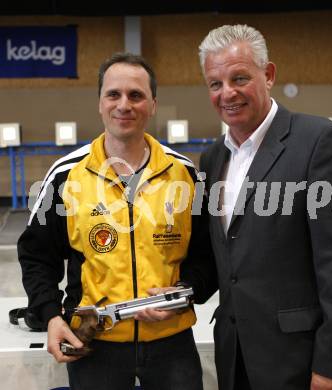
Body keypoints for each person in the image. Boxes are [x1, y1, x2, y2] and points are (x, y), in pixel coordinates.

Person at [181, 24, 332, 390]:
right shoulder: (212, 158)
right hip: (235, 360)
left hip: (302, 364)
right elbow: (220, 257)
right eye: (215, 84)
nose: (228, 93)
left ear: (268, 75)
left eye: (239, 78)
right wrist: (177, 291)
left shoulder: (320, 142)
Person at [18, 52, 216, 390]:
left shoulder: (185, 175)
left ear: (152, 104)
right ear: (99, 102)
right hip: (94, 344)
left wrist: (184, 292)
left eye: (136, 95)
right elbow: (38, 256)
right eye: (114, 94)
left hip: (172, 344)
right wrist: (51, 316)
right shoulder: (66, 176)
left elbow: (208, 256)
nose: (124, 104)